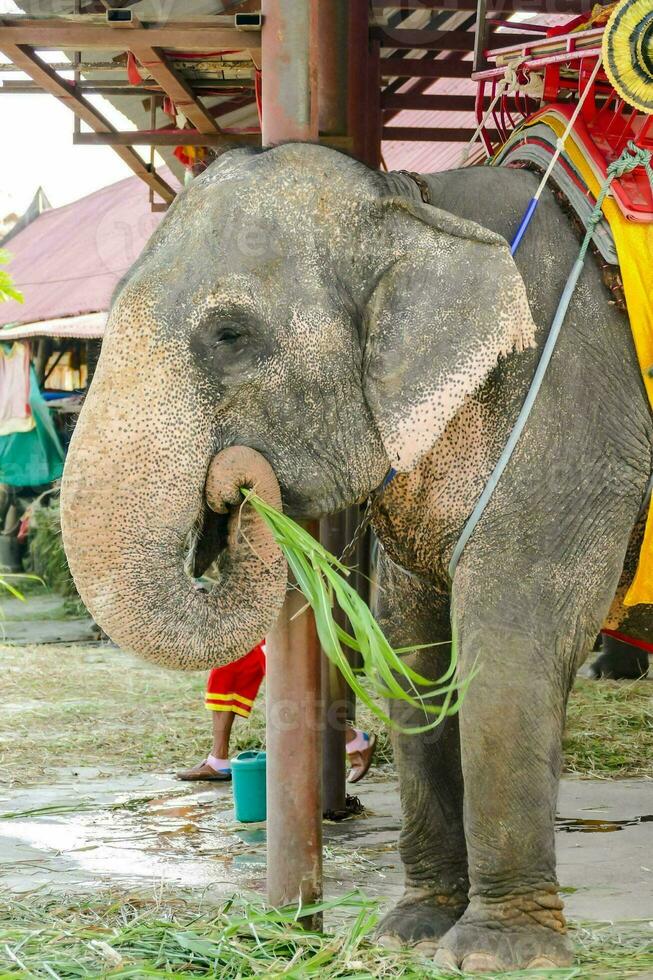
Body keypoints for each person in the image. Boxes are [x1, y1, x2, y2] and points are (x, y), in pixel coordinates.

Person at [176, 642, 376, 784]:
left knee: (285, 679)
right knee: (226, 671)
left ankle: (353, 740)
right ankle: (217, 761)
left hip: (285, 603)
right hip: (254, 610)